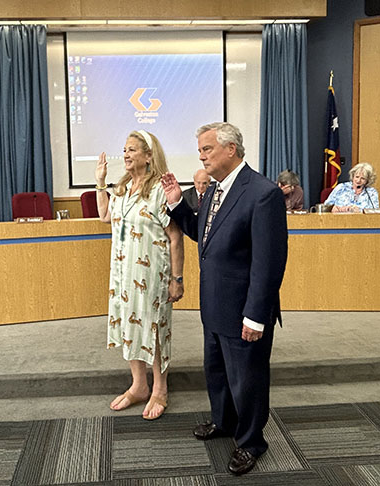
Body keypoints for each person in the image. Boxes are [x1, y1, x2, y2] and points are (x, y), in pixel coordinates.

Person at [160, 122, 288, 475]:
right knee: (217, 373)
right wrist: (176, 205)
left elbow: (269, 262)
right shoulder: (215, 189)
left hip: (244, 310)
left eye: (207, 149)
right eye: (200, 150)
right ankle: (224, 423)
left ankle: (250, 443)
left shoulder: (262, 193)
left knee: (247, 380)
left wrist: (256, 315)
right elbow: (206, 237)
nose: (201, 156)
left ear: (231, 149)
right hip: (214, 305)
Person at [95, 130, 184, 421]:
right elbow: (105, 216)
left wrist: (177, 278)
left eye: (132, 149)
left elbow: (175, 236)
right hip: (122, 272)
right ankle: (139, 385)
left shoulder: (160, 189)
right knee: (128, 326)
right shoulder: (121, 188)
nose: (126, 154)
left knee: (153, 329)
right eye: (124, 150)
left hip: (152, 273)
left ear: (149, 156)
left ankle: (160, 388)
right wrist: (100, 182)